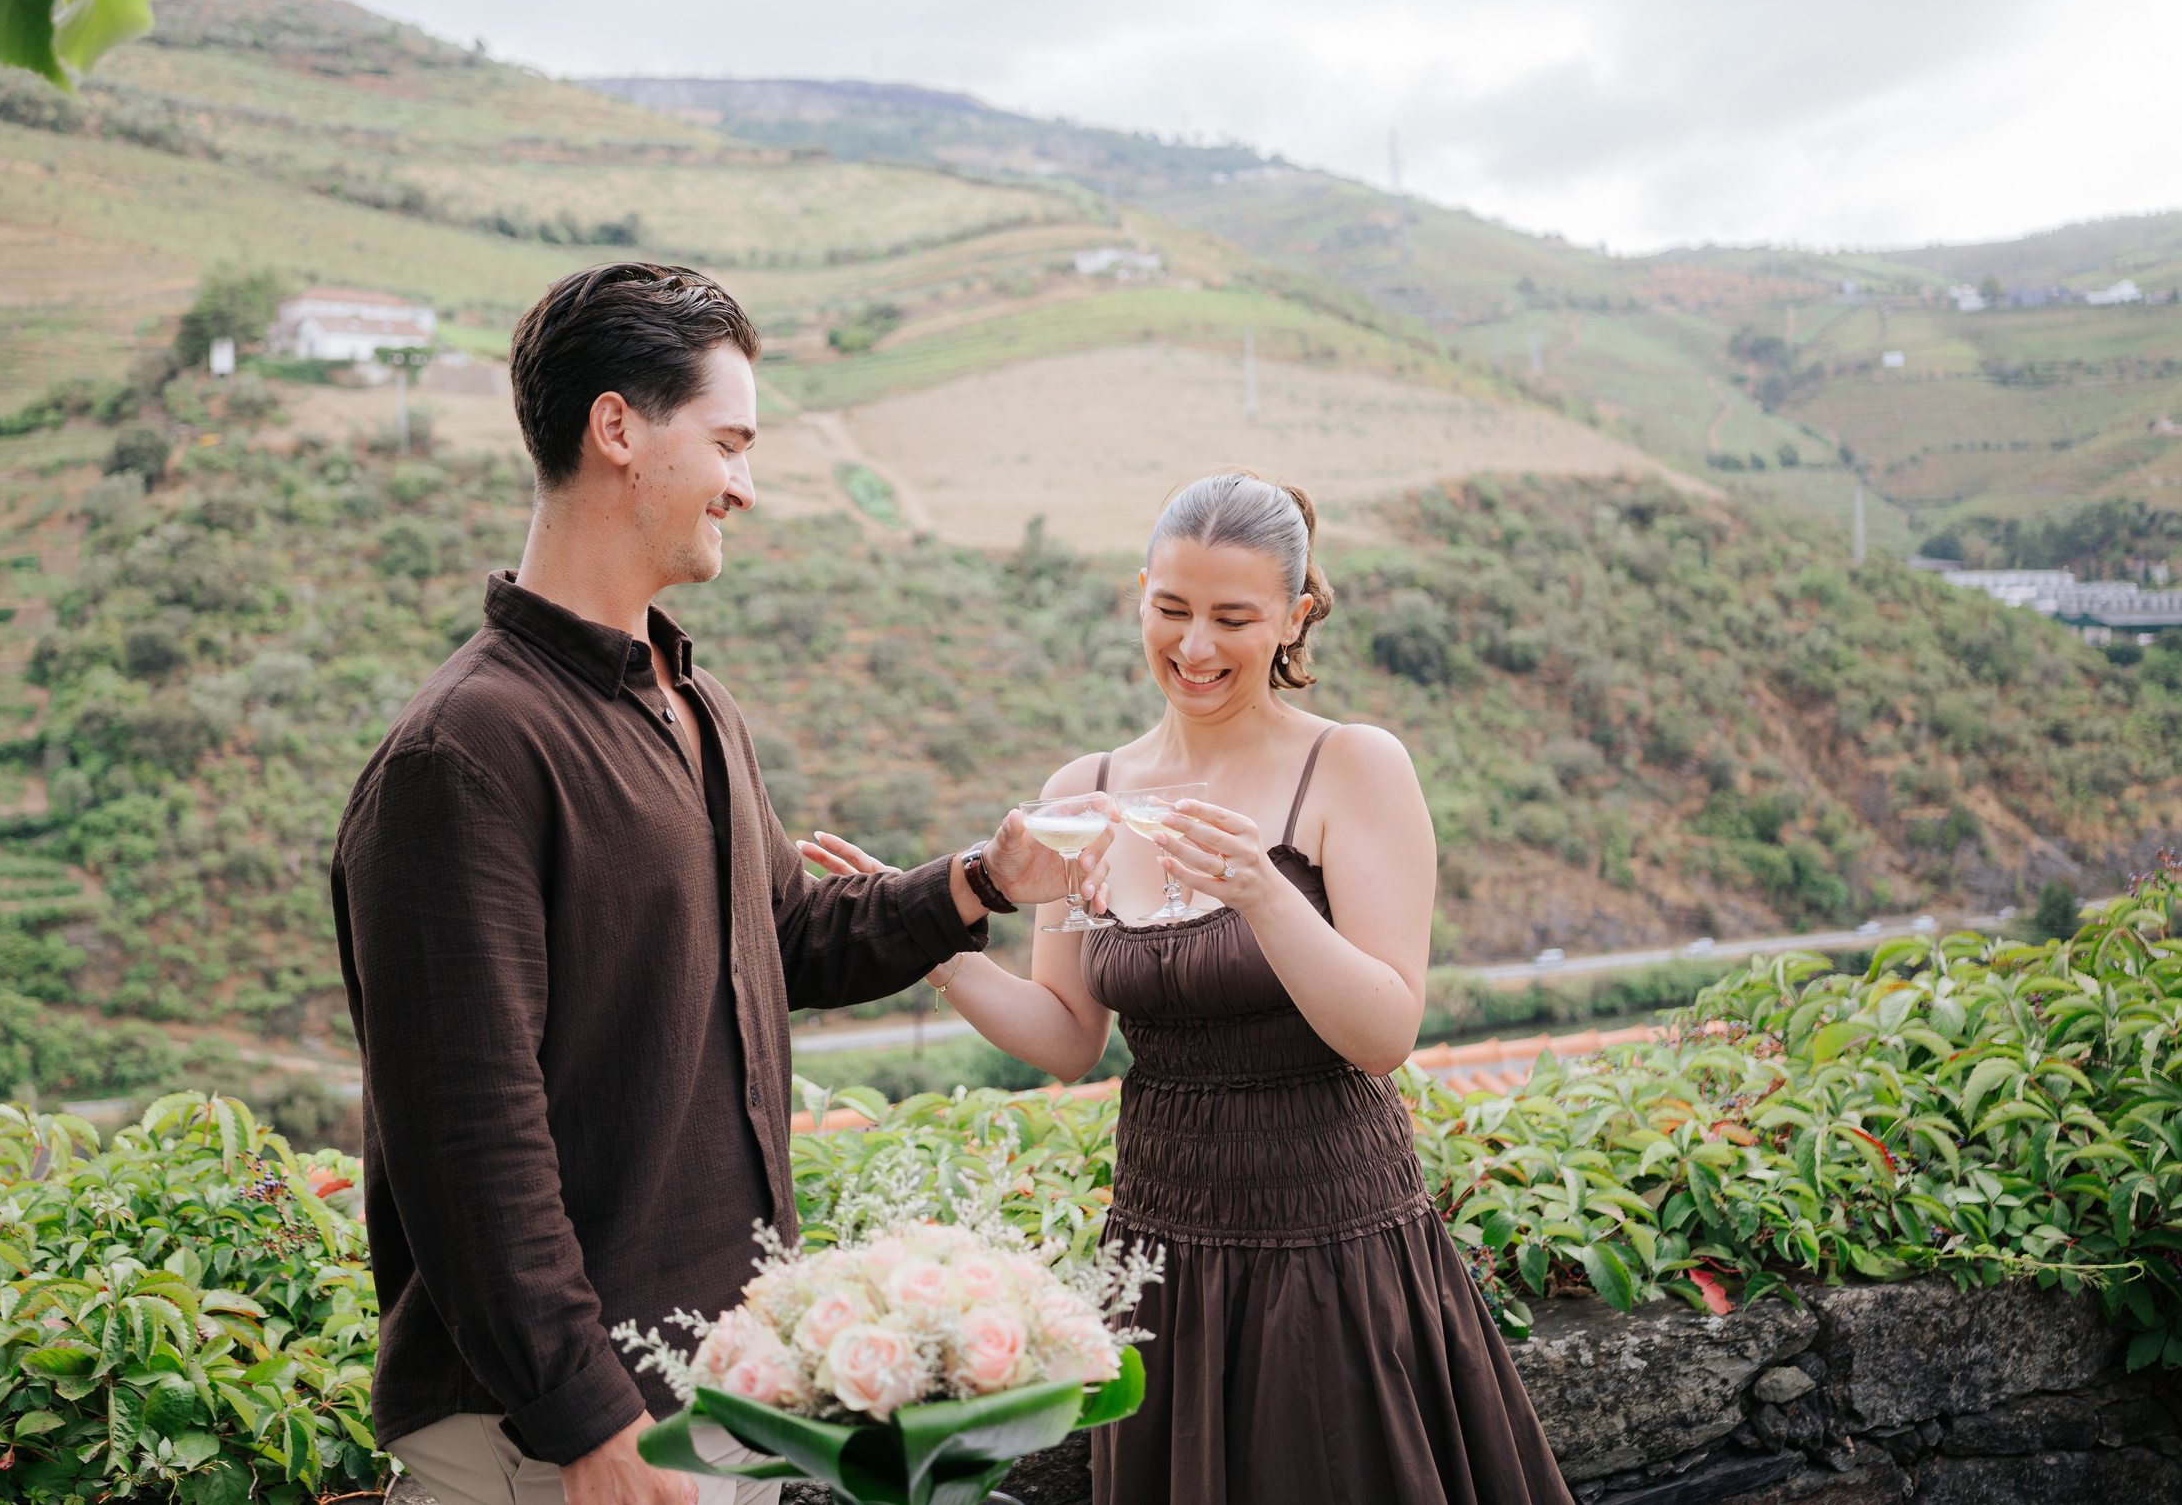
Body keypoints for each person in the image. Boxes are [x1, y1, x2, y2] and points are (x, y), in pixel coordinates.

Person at [331, 264, 1109, 1505]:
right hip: (550, 1439)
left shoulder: (694, 705)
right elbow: (467, 1141)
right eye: (730, 443)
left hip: (718, 1382)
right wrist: (589, 1423)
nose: (747, 485)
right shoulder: (464, 755)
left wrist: (981, 880)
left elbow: (784, 937)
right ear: (617, 429)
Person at [894, 472, 1572, 1504]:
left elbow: (1385, 1031)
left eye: (1233, 618)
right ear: (1139, 595)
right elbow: (1069, 1035)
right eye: (1170, 608)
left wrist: (1262, 892)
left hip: (1330, 1241)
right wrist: (930, 943)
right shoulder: (1084, 794)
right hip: (1159, 1244)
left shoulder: (1351, 767)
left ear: (1295, 616)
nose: (1195, 646)